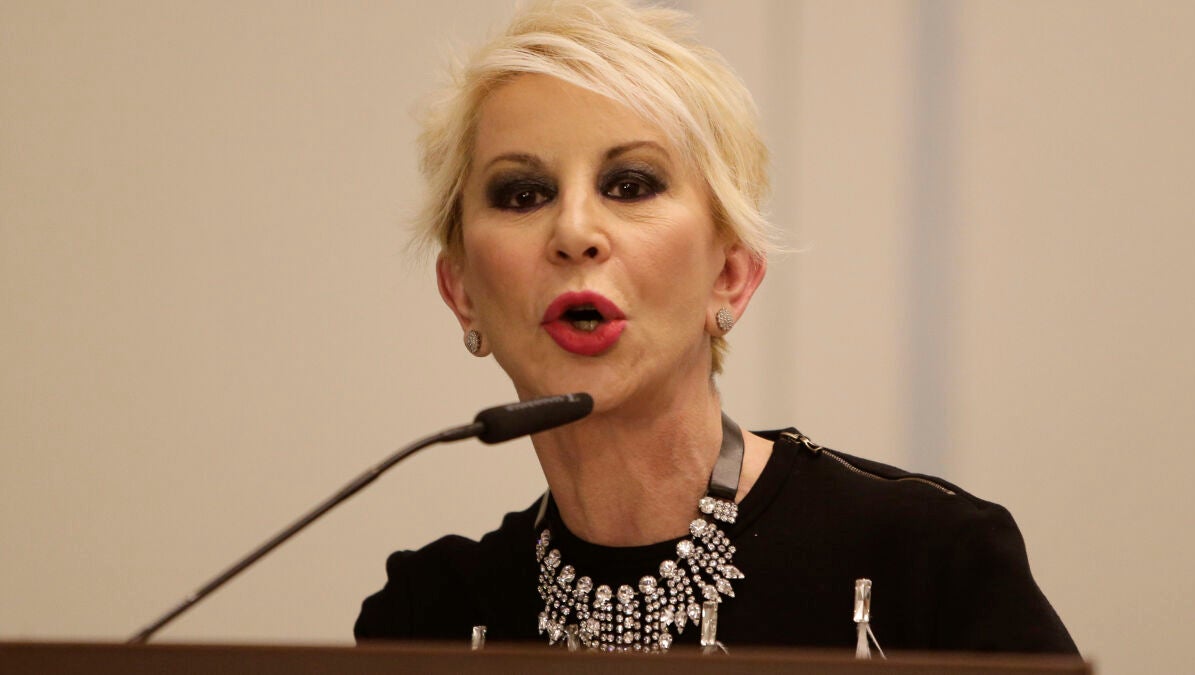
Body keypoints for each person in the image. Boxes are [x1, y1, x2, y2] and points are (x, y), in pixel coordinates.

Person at [355, 0, 1076, 655]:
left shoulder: (930, 561)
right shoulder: (428, 616)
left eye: (629, 185)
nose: (574, 231)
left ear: (730, 274)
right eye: (523, 194)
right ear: (463, 294)